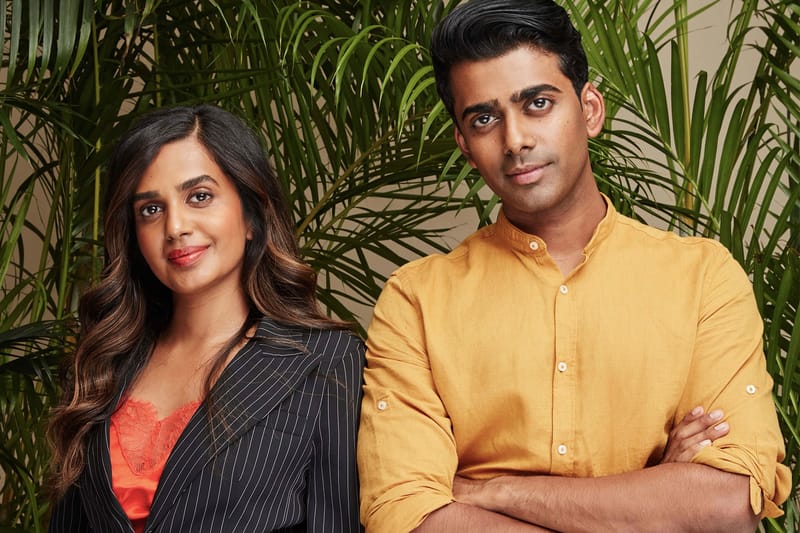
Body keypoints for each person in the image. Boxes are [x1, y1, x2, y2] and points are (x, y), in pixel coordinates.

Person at [357, 1, 791, 531]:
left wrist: (491, 491)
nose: (515, 140)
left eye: (537, 103)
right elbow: (408, 515)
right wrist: (652, 498)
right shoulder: (416, 301)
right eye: (485, 119)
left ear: (590, 110)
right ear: (465, 147)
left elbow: (727, 503)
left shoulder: (703, 278)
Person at [47, 105, 364, 532]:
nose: (176, 226)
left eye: (199, 196)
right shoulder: (103, 361)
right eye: (151, 209)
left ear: (251, 215)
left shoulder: (326, 361)